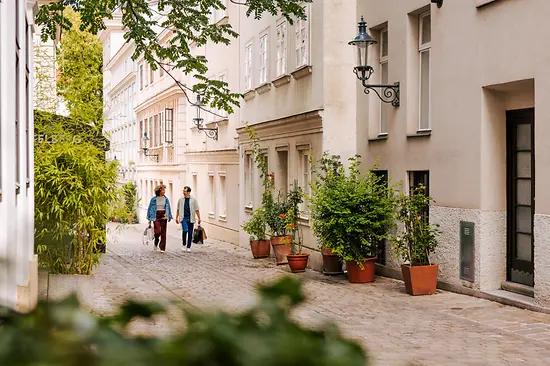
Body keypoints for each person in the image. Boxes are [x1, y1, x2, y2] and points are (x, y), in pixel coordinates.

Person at [146, 185, 173, 253]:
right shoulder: (154, 199)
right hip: (156, 215)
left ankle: (162, 247)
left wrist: (167, 214)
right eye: (163, 190)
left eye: (164, 190)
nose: (164, 191)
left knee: (163, 232)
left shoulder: (166, 199)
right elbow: (150, 208)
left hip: (163, 215)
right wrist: (149, 218)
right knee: (157, 231)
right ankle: (156, 241)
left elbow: (168, 208)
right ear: (159, 191)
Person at [176, 186, 201, 252]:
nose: (183, 192)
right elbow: (178, 209)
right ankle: (184, 243)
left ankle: (188, 246)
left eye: (185, 191)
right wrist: (176, 217)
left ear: (189, 192)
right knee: (185, 230)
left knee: (190, 232)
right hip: (183, 218)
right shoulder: (181, 200)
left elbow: (197, 209)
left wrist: (199, 218)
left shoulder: (193, 200)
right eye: (183, 191)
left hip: (191, 218)